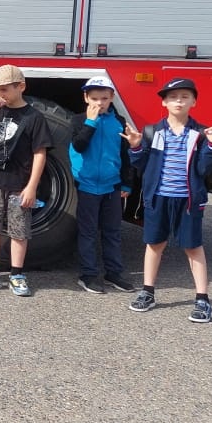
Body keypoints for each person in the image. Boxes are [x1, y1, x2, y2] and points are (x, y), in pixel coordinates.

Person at [124, 78, 212, 323]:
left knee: (193, 246)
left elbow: (204, 169)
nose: (179, 100)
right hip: (158, 198)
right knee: (154, 244)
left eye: (185, 96)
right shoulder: (152, 132)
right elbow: (142, 166)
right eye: (174, 97)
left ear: (194, 101)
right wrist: (136, 147)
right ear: (165, 102)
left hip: (188, 200)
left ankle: (202, 299)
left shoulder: (199, 134)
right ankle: (147, 292)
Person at [0, 65, 53, 297]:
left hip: (19, 183)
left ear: (21, 86)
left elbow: (40, 153)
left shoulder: (34, 117)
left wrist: (32, 187)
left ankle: (17, 274)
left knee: (19, 230)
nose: (0, 94)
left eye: (5, 89)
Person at [69, 76, 135, 295]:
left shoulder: (118, 122)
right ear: (86, 98)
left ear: (112, 98)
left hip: (112, 187)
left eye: (104, 98)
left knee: (113, 232)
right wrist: (91, 122)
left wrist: (126, 182)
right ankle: (88, 274)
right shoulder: (78, 121)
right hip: (87, 186)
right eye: (94, 98)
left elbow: (125, 156)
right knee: (88, 233)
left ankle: (114, 273)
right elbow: (79, 146)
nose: (99, 103)